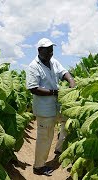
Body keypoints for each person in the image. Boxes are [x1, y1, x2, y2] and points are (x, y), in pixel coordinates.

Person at [26, 38, 76, 176]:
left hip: (57, 106)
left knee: (67, 123)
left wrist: (71, 80)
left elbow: (63, 72)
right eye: (47, 51)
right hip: (44, 109)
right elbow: (33, 88)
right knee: (45, 137)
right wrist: (54, 92)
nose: (50, 54)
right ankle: (39, 167)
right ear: (39, 51)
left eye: (51, 51)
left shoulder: (53, 62)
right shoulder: (33, 66)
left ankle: (59, 149)